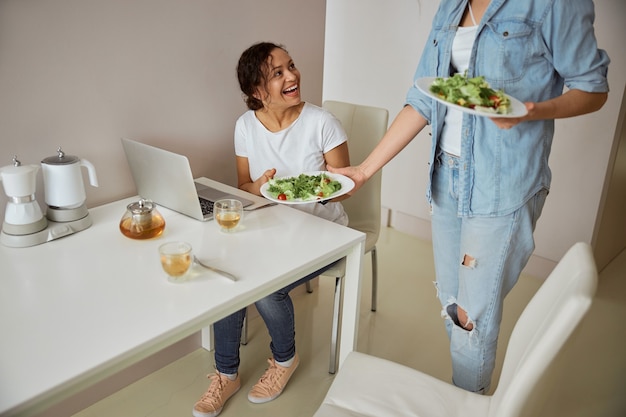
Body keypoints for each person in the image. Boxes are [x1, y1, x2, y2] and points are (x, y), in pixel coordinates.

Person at [329, 0, 609, 394]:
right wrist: (362, 171)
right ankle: (466, 397)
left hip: (502, 183)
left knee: (471, 319)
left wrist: (532, 110)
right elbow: (424, 97)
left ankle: (466, 403)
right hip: (446, 176)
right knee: (452, 306)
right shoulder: (451, 6)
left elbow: (593, 88)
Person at [192, 42, 350, 417]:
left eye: (291, 66)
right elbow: (244, 187)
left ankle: (284, 360)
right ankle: (225, 373)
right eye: (277, 73)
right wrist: (260, 185)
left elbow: (346, 187)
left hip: (323, 230)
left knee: (268, 289)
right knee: (225, 272)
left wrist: (318, 190)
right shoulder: (245, 126)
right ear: (256, 91)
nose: (292, 76)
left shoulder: (322, 123)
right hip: (272, 228)